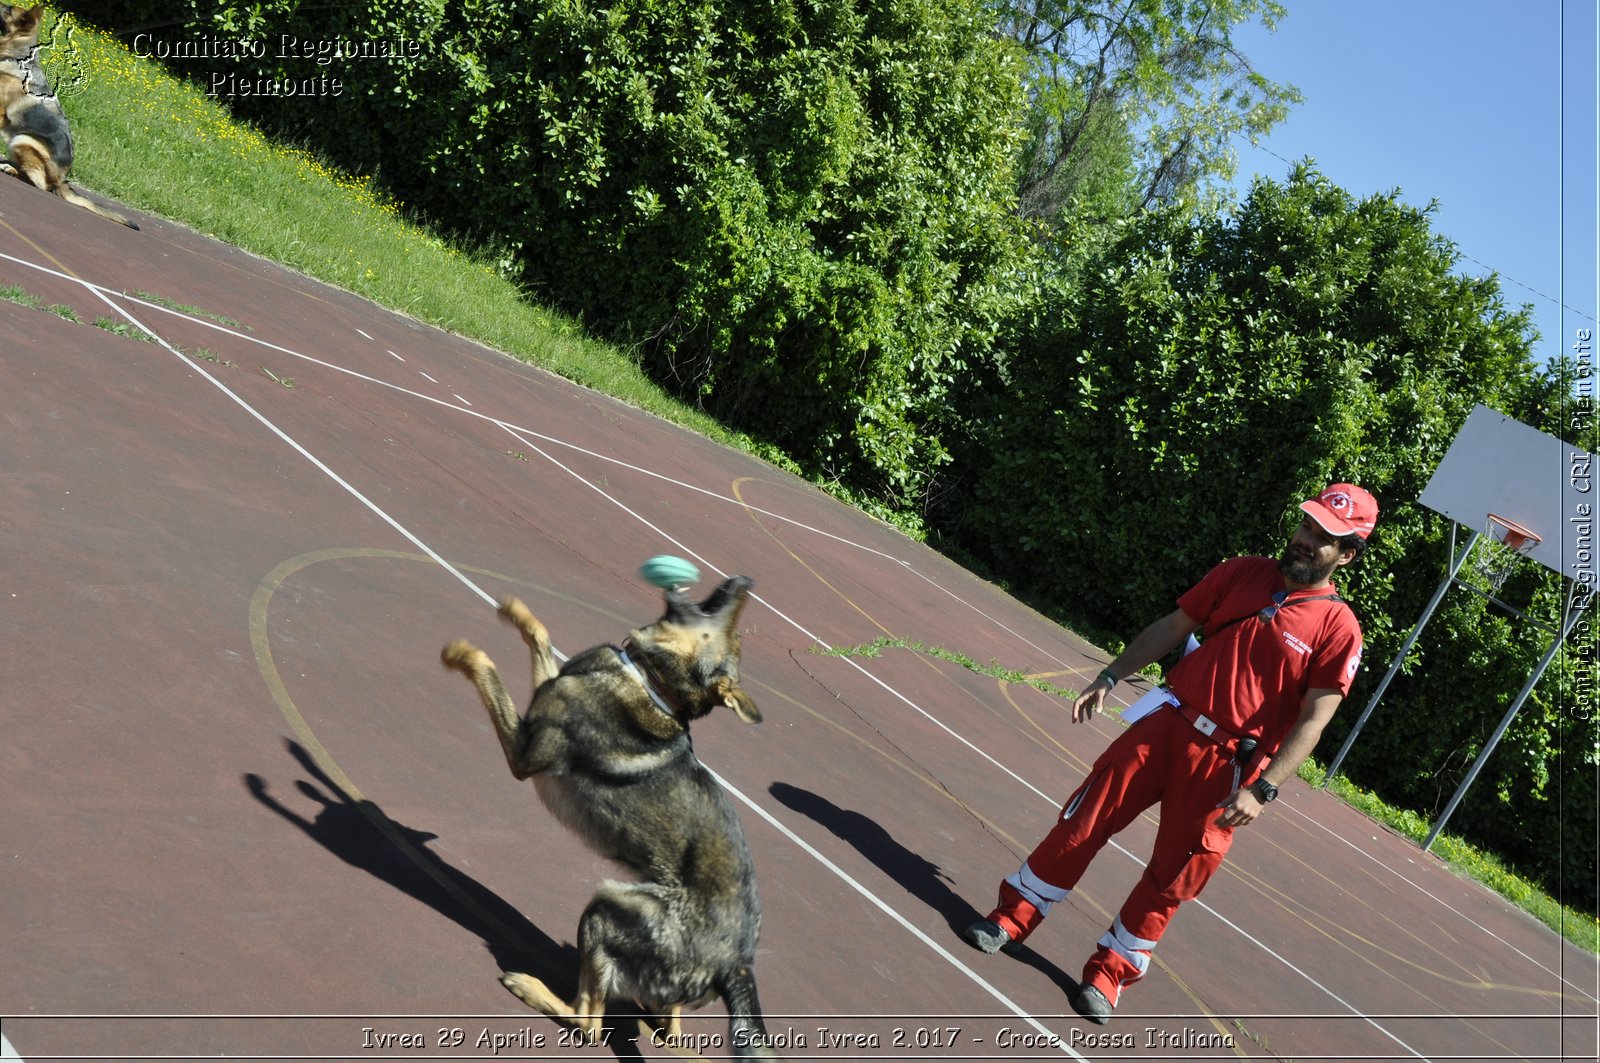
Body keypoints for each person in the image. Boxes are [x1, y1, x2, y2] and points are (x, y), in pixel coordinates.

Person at [962, 484, 1379, 1024]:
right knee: (1083, 821)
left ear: (1347, 555)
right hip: (1167, 723)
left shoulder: (1339, 628)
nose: (1306, 541)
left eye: (1325, 539)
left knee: (1174, 874)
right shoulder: (1241, 572)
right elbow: (1173, 626)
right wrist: (1112, 674)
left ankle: (1109, 973)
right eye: (1307, 527)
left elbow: (1315, 718)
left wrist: (1264, 787)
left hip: (1229, 765)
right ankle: (1010, 919)